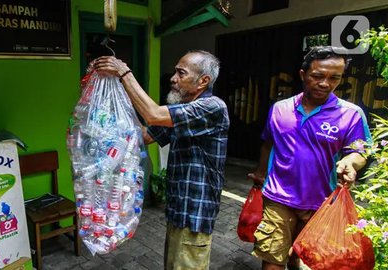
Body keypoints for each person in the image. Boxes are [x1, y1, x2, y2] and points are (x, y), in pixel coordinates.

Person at [94, 50, 230, 270]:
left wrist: (123, 73)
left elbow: (153, 114)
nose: (172, 78)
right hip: (178, 211)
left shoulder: (212, 107)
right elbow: (146, 135)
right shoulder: (181, 111)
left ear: (203, 81)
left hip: (194, 216)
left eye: (181, 73)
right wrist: (117, 101)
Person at [248, 46, 371, 270]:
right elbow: (269, 143)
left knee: (307, 258)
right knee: (272, 261)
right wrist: (260, 173)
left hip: (322, 204)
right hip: (278, 198)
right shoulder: (280, 109)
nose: (325, 83)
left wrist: (349, 163)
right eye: (318, 76)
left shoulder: (351, 114)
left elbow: (360, 151)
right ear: (303, 74)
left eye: (334, 78)